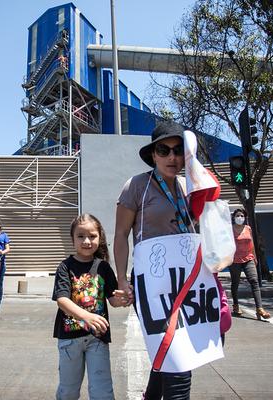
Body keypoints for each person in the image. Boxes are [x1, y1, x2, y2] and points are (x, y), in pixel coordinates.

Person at [114, 121, 197, 400]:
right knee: (177, 353)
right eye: (164, 150)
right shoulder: (137, 185)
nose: (172, 157)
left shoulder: (190, 187)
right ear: (153, 155)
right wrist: (122, 279)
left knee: (169, 351)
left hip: (187, 281)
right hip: (151, 283)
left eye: (178, 150)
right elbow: (121, 234)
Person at [52, 213, 128, 400]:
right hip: (70, 340)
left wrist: (123, 298)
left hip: (97, 339)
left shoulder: (103, 267)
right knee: (68, 391)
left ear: (99, 238)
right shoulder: (65, 267)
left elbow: (112, 299)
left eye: (92, 236)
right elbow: (62, 300)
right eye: (81, 236)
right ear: (72, 239)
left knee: (102, 392)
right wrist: (86, 316)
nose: (87, 241)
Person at [229, 208, 271, 320]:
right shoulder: (230, 229)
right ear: (234, 217)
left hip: (248, 258)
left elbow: (251, 243)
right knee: (235, 283)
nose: (240, 218)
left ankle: (259, 308)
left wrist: (255, 257)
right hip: (234, 259)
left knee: (254, 281)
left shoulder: (248, 228)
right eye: (238, 215)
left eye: (242, 216)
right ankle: (236, 305)